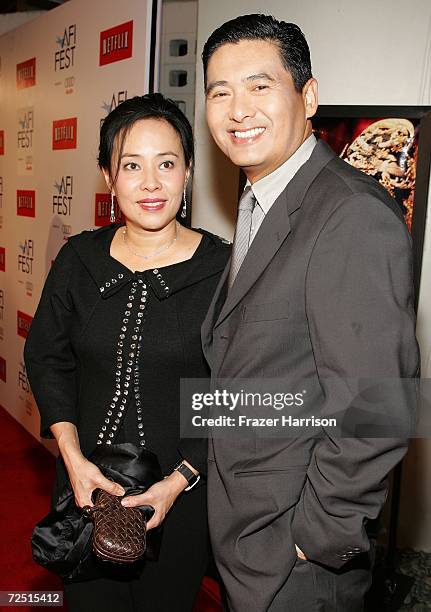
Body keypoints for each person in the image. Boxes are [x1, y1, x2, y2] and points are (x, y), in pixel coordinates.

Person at [200, 14, 419, 612]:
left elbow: (378, 406)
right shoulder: (261, 204)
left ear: (309, 96)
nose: (238, 109)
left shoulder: (350, 215)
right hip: (246, 537)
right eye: (220, 92)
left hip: (295, 566)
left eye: (259, 86)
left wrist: (306, 540)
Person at [24, 93, 230, 612]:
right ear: (108, 177)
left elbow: (236, 389)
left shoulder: (225, 270)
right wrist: (73, 460)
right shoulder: (79, 259)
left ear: (188, 173)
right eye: (131, 166)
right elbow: (48, 358)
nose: (151, 183)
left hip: (183, 498)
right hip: (86, 492)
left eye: (167, 164)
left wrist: (179, 480)